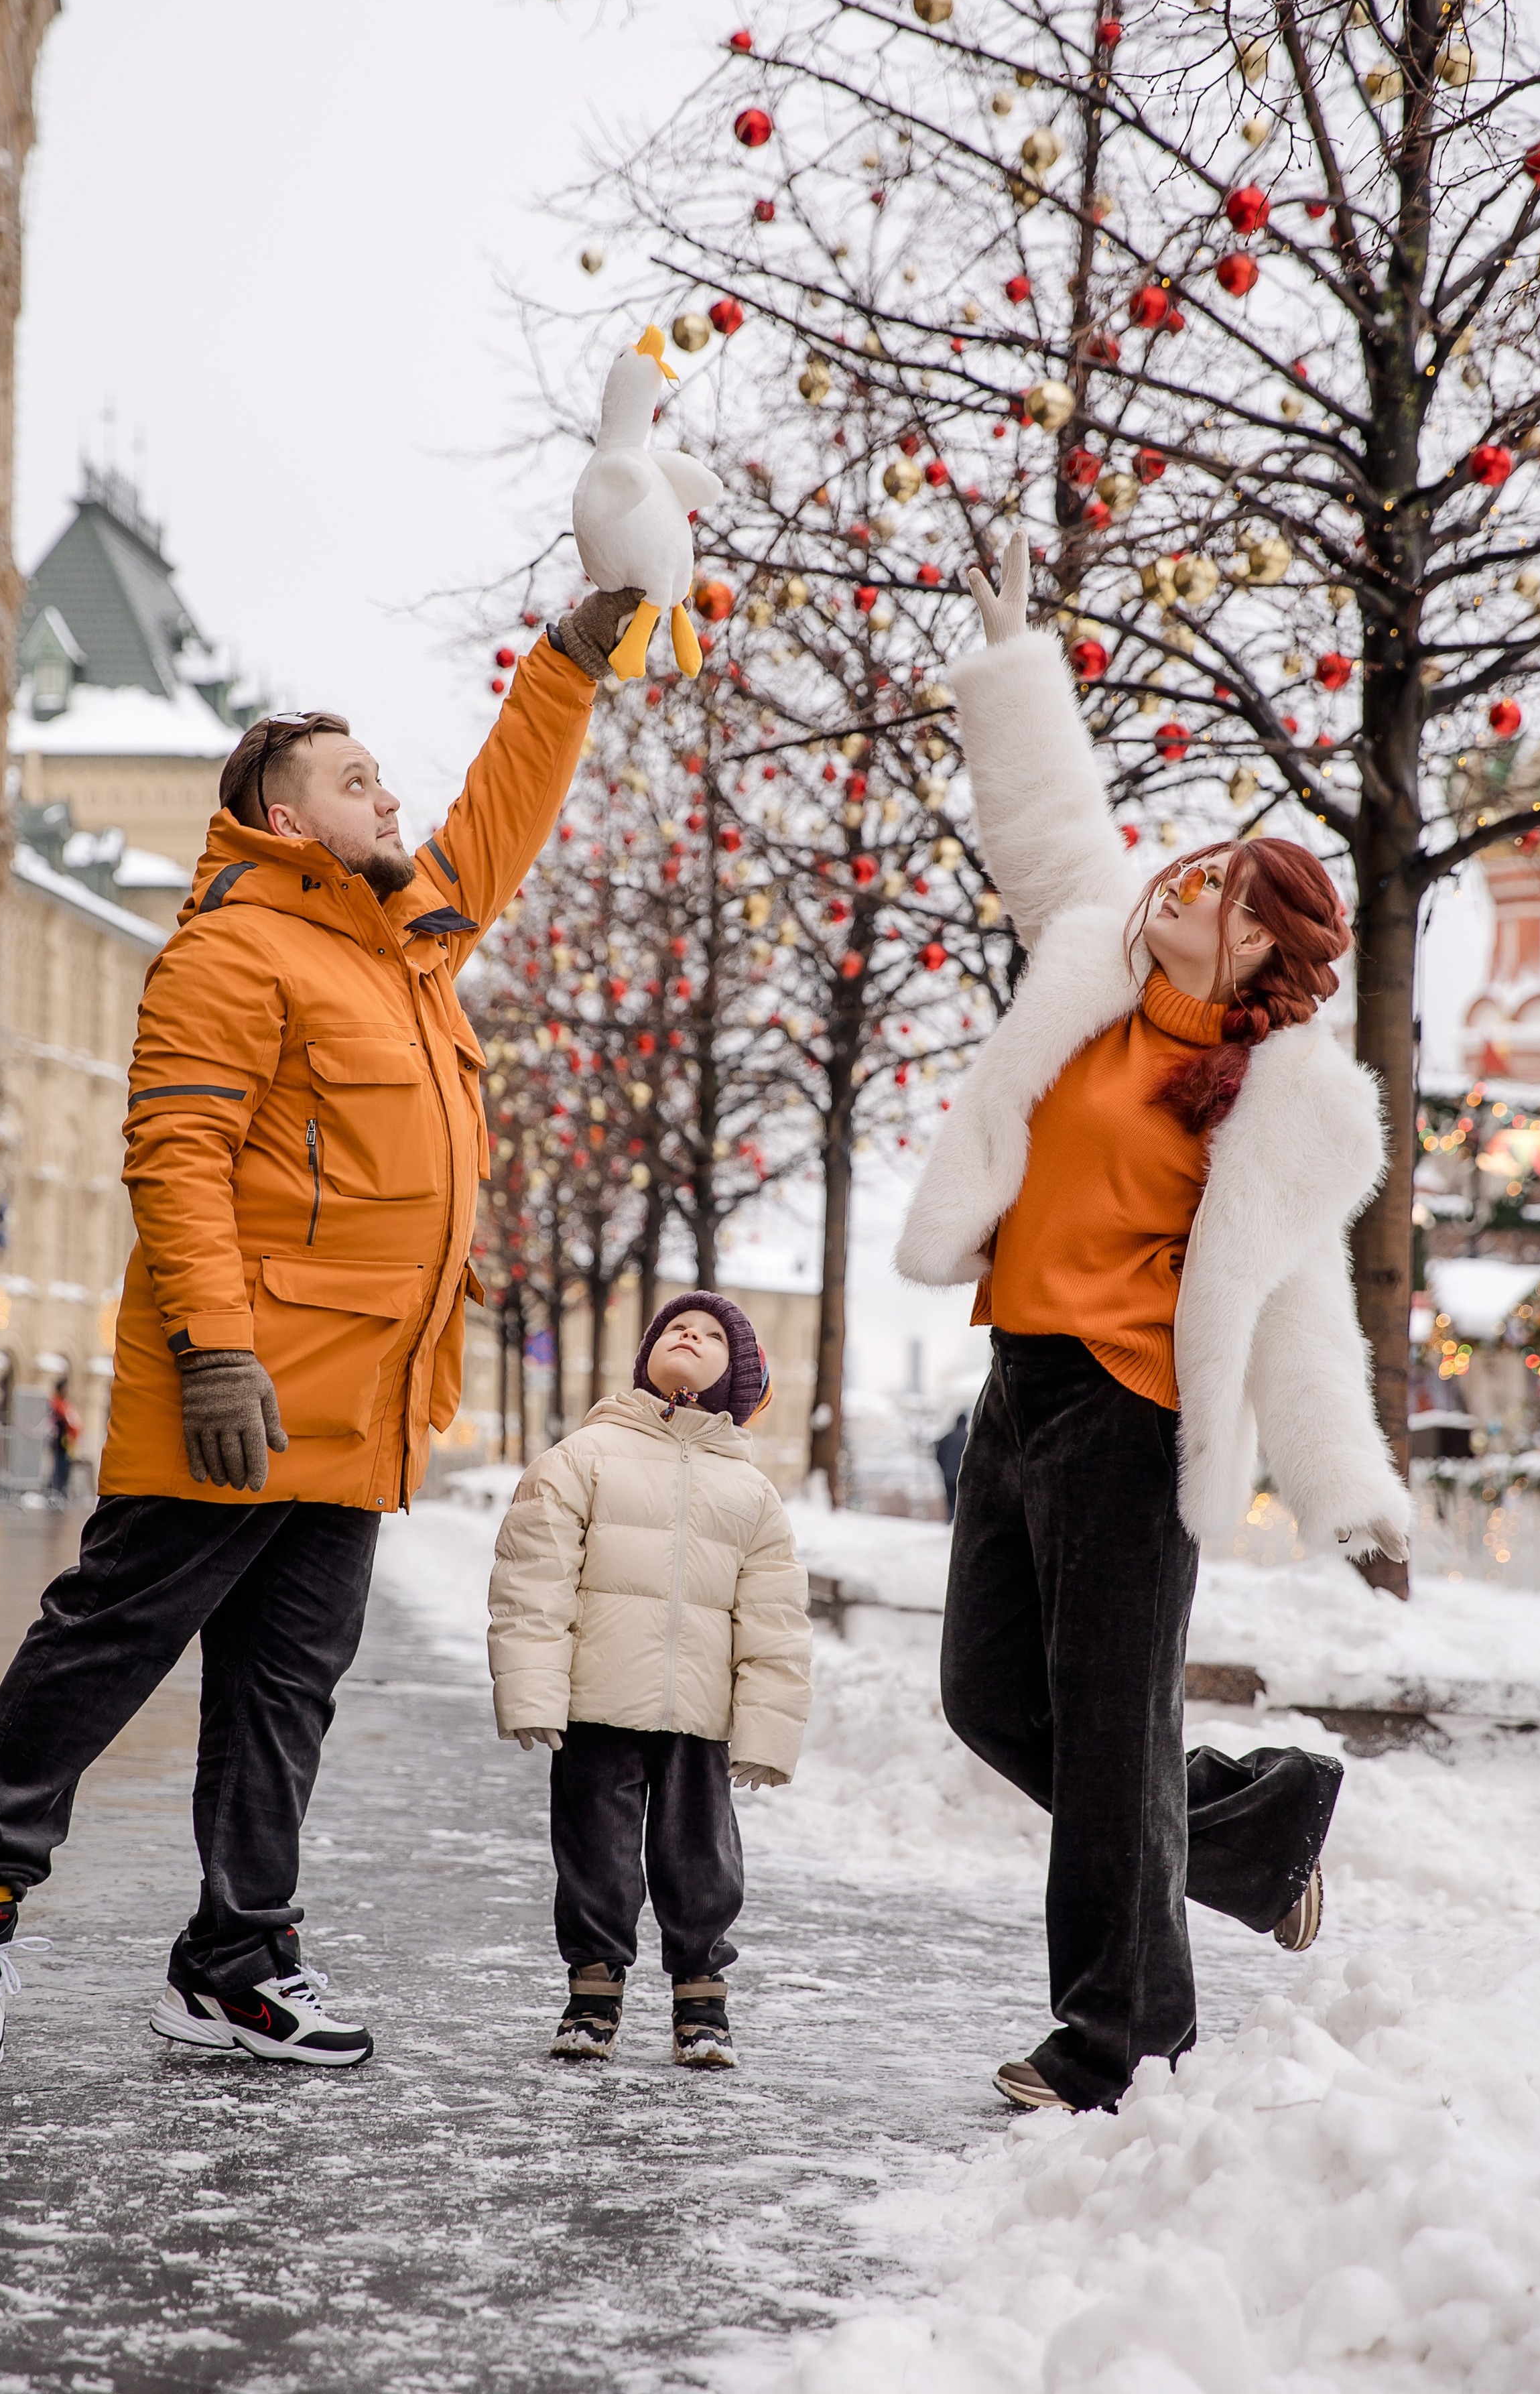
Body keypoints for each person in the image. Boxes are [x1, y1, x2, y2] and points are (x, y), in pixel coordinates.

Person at [0, 587, 641, 2080]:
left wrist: (568, 664)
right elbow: (176, 1157)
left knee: (284, 1692)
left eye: (387, 778)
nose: (393, 800)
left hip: (364, 1401)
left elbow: (500, 820)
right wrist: (215, 1350)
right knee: (110, 1647)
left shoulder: (401, 945)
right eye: (359, 782)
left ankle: (235, 1960)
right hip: (238, 1388)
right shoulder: (232, 953)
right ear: (286, 817)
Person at [895, 527, 1411, 2119]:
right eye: (1190, 867)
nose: (1180, 882)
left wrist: (1347, 1491)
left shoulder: (1278, 1100)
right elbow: (1053, 823)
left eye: (1218, 889)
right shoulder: (1091, 970)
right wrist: (1011, 665)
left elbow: (1295, 1305)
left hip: (1132, 1416)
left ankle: (1117, 2039)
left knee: (1112, 1737)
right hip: (1015, 1388)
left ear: (1259, 946)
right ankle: (1256, 1831)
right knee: (988, 1698)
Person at [486, 1294, 812, 2070]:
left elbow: (774, 1621)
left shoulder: (752, 1494)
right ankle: (592, 1991)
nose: (689, 1334)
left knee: (701, 1859)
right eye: (676, 1328)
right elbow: (533, 1580)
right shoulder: (583, 1457)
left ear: (739, 1379)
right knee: (594, 1854)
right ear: (646, 1357)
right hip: (598, 1704)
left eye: (711, 1335)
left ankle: (701, 1994)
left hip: (700, 1715)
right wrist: (531, 1686)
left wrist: (768, 1730)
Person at [45, 1379, 80, 1510]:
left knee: (64, 1469)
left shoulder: (65, 1405)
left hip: (67, 1444)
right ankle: (55, 1493)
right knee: (58, 1469)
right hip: (59, 1444)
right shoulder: (56, 1405)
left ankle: (61, 1493)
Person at [933, 1409, 969, 1520]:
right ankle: (957, 1522)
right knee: (962, 1501)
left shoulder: (947, 1438)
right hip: (963, 1476)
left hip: (948, 1474)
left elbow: (938, 1455)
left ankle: (951, 1520)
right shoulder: (969, 1439)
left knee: (951, 1501)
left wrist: (944, 1468)